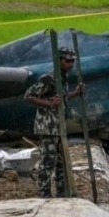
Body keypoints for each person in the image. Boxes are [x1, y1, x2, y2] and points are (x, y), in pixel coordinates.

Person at [24, 47, 85, 198]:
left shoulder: (62, 78)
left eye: (72, 61)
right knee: (47, 162)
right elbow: (29, 96)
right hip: (48, 127)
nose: (70, 64)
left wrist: (75, 94)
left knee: (60, 163)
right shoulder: (49, 78)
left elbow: (61, 98)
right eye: (67, 61)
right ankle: (44, 194)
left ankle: (61, 193)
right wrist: (49, 103)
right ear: (58, 61)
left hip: (59, 127)